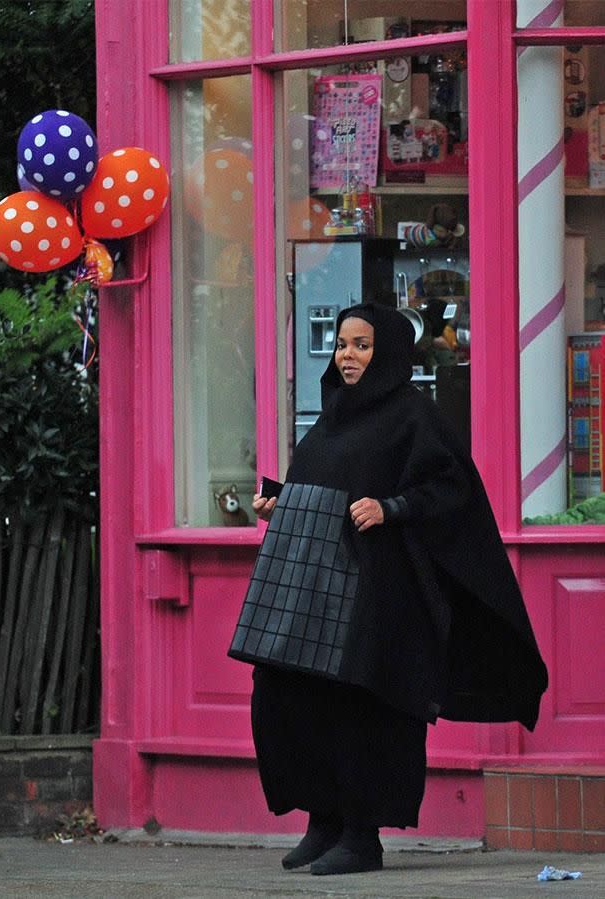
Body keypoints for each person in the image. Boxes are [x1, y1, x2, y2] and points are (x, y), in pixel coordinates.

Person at [228, 302, 548, 876]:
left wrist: (392, 507)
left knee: (363, 705)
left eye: (362, 345)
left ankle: (361, 836)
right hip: (318, 592)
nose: (347, 356)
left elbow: (451, 490)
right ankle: (322, 821)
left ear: (390, 353)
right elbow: (328, 484)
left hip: (385, 594)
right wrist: (280, 501)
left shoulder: (414, 417)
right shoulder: (330, 418)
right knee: (287, 694)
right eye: (342, 345)